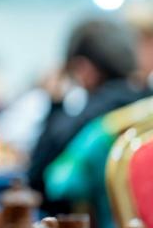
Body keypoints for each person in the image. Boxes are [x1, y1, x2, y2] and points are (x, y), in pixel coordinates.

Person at [28, 18, 147, 216]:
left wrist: (56, 103)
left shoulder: (91, 123)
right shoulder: (146, 107)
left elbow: (40, 180)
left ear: (83, 69)